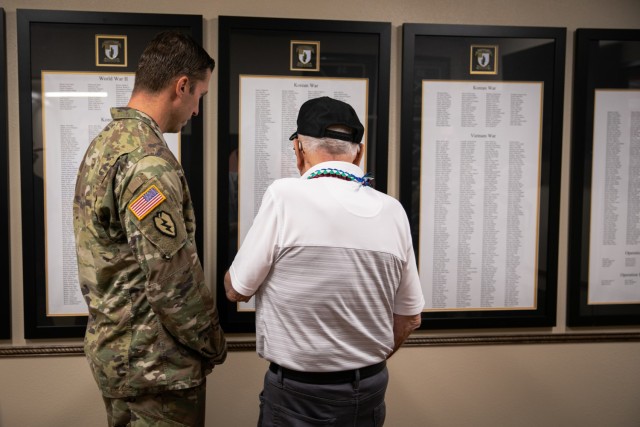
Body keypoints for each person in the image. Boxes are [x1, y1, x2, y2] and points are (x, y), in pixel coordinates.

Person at [224, 96, 425, 426]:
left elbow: (237, 291)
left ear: (299, 149)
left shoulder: (284, 196)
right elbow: (410, 318)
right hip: (370, 388)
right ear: (358, 152)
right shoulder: (393, 211)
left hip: (299, 395)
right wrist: (358, 363)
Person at [73, 31, 227, 427]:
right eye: (200, 96)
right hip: (155, 372)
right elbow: (171, 277)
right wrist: (212, 343)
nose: (196, 110)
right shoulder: (147, 162)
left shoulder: (105, 144)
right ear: (181, 86)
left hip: (125, 358)